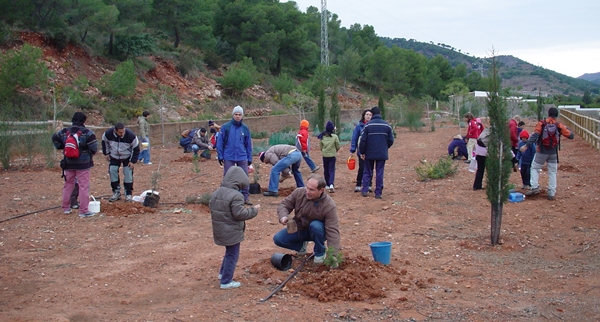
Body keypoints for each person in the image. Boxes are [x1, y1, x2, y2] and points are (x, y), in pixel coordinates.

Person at [209, 166, 260, 289]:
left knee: (228, 253)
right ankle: (226, 281)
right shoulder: (236, 196)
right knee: (233, 255)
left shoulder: (217, 192)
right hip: (231, 231)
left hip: (220, 229)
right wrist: (254, 210)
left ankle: (222, 274)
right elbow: (240, 214)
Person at [273, 174, 340, 264]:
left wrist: (334, 255)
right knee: (278, 239)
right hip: (300, 228)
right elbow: (284, 204)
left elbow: (333, 231)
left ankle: (320, 253)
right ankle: (301, 246)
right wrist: (283, 216)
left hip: (317, 232)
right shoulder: (299, 192)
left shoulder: (329, 206)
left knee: (316, 225)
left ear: (321, 190)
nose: (307, 191)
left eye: (311, 190)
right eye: (307, 188)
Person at [521, 107, 574, 200]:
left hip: (541, 151)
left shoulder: (542, 123)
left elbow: (535, 135)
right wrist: (567, 128)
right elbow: (571, 136)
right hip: (553, 152)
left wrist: (526, 146)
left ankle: (535, 187)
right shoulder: (559, 125)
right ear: (556, 115)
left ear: (548, 113)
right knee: (552, 172)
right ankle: (551, 192)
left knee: (534, 168)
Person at [52, 112, 98, 218]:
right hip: (83, 164)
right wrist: (88, 154)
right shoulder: (87, 133)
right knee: (83, 186)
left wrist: (62, 147)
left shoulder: (64, 132)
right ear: (84, 121)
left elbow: (55, 138)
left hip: (68, 163)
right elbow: (94, 147)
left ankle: (65, 207)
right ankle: (84, 210)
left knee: (68, 185)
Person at [216, 106, 254, 205]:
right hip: (229, 156)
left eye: (239, 114)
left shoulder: (245, 128)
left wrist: (249, 158)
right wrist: (220, 155)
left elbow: (248, 144)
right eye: (236, 114)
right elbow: (220, 142)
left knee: (244, 177)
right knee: (228, 176)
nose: (237, 116)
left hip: (242, 156)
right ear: (232, 115)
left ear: (242, 116)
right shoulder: (226, 127)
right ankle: (226, 197)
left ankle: (245, 197)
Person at [358, 106, 394, 199]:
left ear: (372, 114)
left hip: (369, 153)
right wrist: (385, 147)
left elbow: (363, 141)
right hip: (382, 153)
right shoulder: (387, 126)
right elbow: (391, 140)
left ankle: (365, 190)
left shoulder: (368, 126)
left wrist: (362, 152)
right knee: (379, 172)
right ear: (380, 113)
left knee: (367, 172)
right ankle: (378, 193)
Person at [102, 122, 140, 202]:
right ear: (115, 131)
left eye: (123, 131)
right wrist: (107, 153)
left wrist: (132, 161)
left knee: (128, 173)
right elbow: (104, 142)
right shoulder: (108, 134)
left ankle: (128, 193)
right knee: (112, 171)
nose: (122, 133)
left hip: (127, 156)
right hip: (114, 156)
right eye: (120, 132)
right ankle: (116, 192)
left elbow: (136, 148)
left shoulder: (131, 135)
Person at [349, 109, 373, 193]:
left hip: (370, 151)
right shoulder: (359, 126)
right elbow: (354, 138)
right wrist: (352, 149)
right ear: (364, 115)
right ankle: (358, 184)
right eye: (367, 114)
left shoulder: (372, 126)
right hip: (361, 150)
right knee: (362, 167)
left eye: (370, 115)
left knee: (370, 168)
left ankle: (369, 184)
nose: (368, 116)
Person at [318, 121, 340, 193]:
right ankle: (331, 184)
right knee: (331, 170)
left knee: (326, 169)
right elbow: (338, 146)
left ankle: (327, 184)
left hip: (325, 156)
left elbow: (320, 147)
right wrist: (335, 150)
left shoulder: (322, 136)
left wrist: (324, 151)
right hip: (332, 156)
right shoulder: (335, 137)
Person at [472, 125, 490, 190]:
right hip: (486, 153)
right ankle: (491, 185)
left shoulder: (485, 130)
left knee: (480, 169)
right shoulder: (496, 132)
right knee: (490, 170)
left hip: (478, 152)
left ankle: (476, 186)